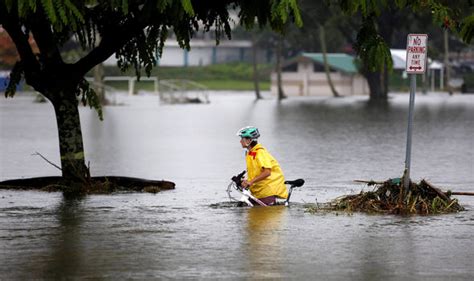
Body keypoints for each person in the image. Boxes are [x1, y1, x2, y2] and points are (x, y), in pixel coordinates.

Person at [237, 126, 288, 206]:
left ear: (249, 140)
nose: (240, 141)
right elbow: (256, 172)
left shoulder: (260, 153)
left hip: (267, 191)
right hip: (258, 191)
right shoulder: (250, 153)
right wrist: (245, 181)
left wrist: (251, 182)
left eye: (242, 139)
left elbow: (267, 172)